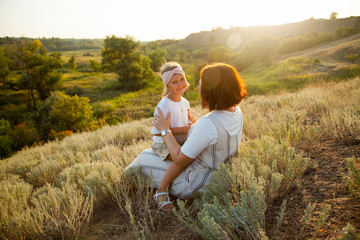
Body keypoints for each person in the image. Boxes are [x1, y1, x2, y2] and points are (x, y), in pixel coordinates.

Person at [125, 63, 247, 211]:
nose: (197, 88)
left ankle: (158, 190)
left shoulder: (207, 123)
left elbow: (179, 159)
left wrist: (165, 130)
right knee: (150, 155)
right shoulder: (236, 112)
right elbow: (207, 134)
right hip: (222, 176)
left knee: (142, 160)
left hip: (196, 182)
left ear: (213, 91)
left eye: (201, 85)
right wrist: (194, 125)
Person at [151, 62, 196, 161]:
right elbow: (157, 132)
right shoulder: (164, 105)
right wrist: (183, 129)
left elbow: (185, 123)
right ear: (167, 86)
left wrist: (192, 123)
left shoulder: (185, 102)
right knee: (183, 160)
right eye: (174, 82)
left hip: (180, 142)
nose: (180, 84)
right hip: (164, 145)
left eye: (182, 79)